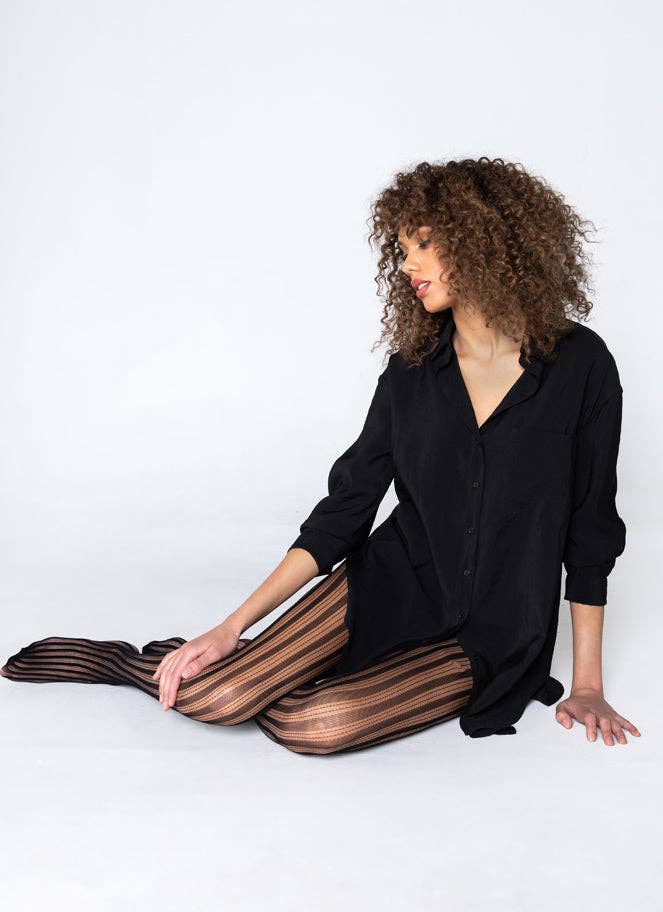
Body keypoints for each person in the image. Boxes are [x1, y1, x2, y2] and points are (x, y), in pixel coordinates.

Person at [1, 156, 640, 752]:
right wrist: (231, 627)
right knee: (217, 696)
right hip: (393, 585)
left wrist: (588, 683)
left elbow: (590, 526)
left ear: (481, 239)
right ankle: (124, 660)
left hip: (493, 631)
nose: (406, 266)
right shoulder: (412, 371)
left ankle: (263, 671)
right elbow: (347, 509)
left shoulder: (581, 366)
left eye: (421, 244)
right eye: (401, 249)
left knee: (317, 724)